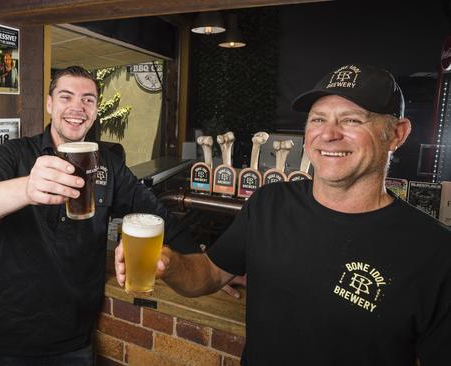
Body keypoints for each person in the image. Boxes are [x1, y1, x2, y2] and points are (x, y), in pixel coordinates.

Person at [116, 64, 451, 365]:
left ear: (396, 134)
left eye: (351, 120)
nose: (329, 133)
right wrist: (170, 264)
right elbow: (208, 275)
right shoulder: (269, 203)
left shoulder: (435, 252)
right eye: (318, 119)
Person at [0, 65, 198, 365]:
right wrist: (27, 188)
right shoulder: (17, 154)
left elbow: (159, 218)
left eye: (88, 99)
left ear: (95, 110)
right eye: (66, 97)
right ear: (50, 104)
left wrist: (209, 267)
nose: (77, 107)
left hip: (73, 339)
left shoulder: (109, 165)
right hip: (6, 333)